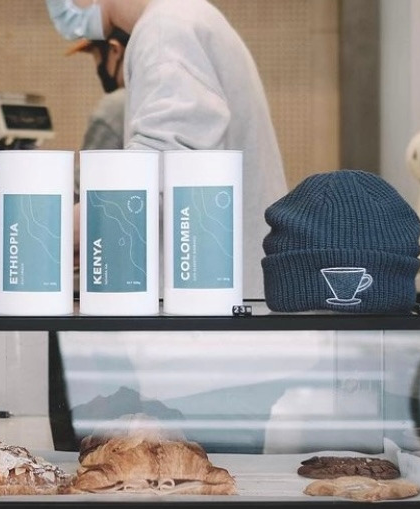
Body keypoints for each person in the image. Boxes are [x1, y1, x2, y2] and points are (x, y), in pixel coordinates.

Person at [46, 0, 287, 300]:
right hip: (229, 284)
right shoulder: (188, 17)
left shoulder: (164, 30)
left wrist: (67, 230)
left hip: (209, 293)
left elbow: (165, 160)